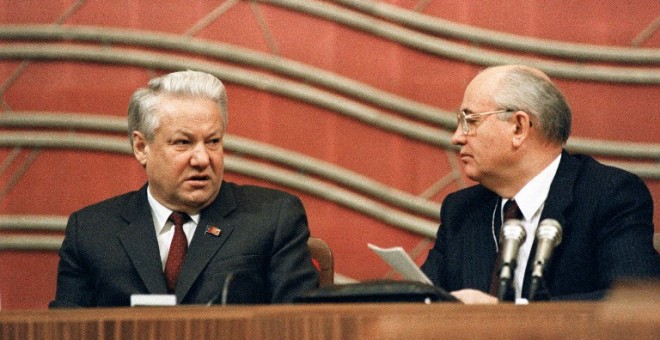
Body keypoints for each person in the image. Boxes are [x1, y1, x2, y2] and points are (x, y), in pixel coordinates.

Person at [50, 70, 319, 307]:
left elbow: (303, 325)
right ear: (142, 147)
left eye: (213, 141)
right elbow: (63, 330)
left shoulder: (273, 218)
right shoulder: (91, 231)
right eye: (183, 143)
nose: (202, 159)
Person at [421, 64, 659, 304]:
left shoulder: (608, 195)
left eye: (469, 121)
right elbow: (421, 300)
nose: (457, 137)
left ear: (519, 127)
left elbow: (635, 303)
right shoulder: (462, 210)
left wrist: (512, 314)